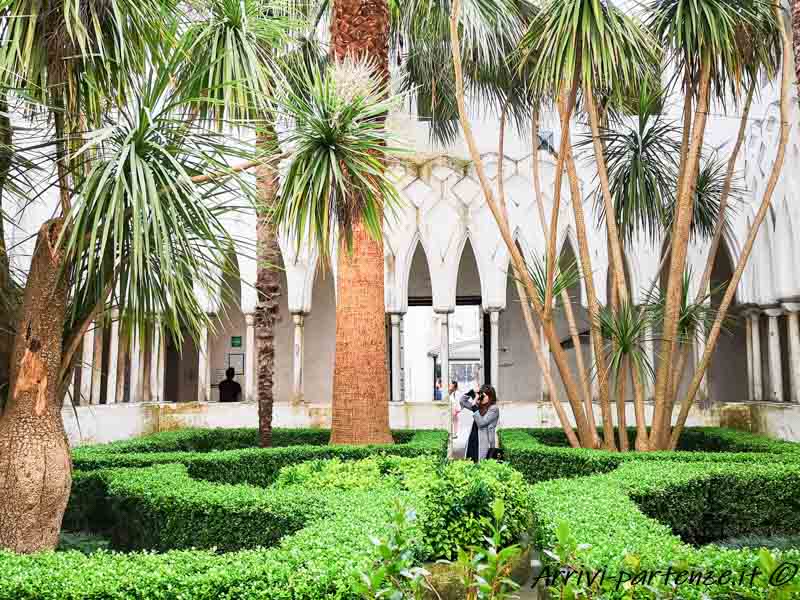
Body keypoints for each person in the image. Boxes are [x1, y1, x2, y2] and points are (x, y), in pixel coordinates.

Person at [460, 384, 499, 462]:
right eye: (482, 395)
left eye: (484, 395)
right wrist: (471, 392)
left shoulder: (494, 409)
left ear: (490, 396)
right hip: (473, 439)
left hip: (484, 443)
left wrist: (474, 407)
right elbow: (462, 401)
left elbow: (481, 423)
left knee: (481, 464)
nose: (482, 397)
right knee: (469, 463)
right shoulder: (479, 406)